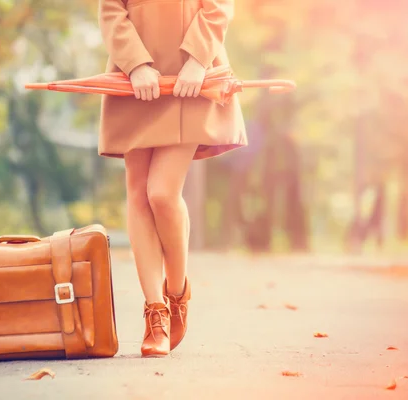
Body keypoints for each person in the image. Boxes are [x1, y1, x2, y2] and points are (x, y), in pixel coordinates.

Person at [98, 0, 247, 357]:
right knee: (138, 194)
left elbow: (219, 6)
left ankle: (177, 292)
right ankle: (156, 313)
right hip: (135, 77)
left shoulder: (197, 68)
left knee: (162, 193)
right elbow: (110, 10)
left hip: (193, 78)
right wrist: (135, 65)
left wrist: (197, 60)